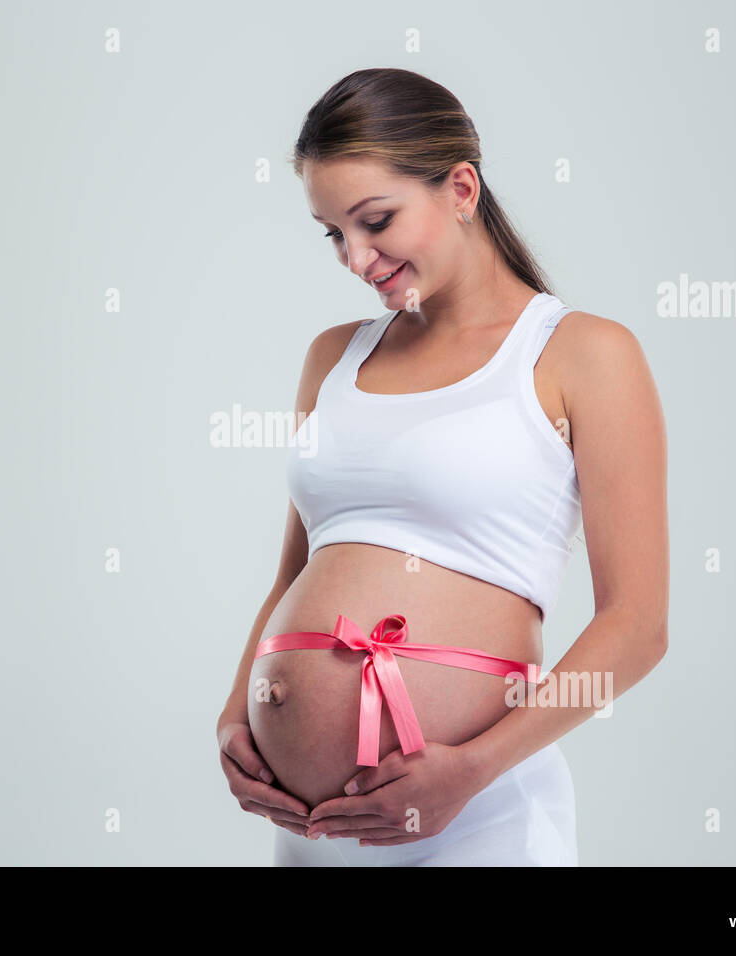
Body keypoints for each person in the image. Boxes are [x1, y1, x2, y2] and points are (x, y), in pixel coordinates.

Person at [216, 67, 669, 865]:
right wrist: (237, 718)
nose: (355, 257)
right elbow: (294, 575)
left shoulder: (581, 355)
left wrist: (473, 769)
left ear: (461, 187)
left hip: (478, 815)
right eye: (332, 233)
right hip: (313, 832)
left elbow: (635, 627)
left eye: (375, 220)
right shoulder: (334, 358)